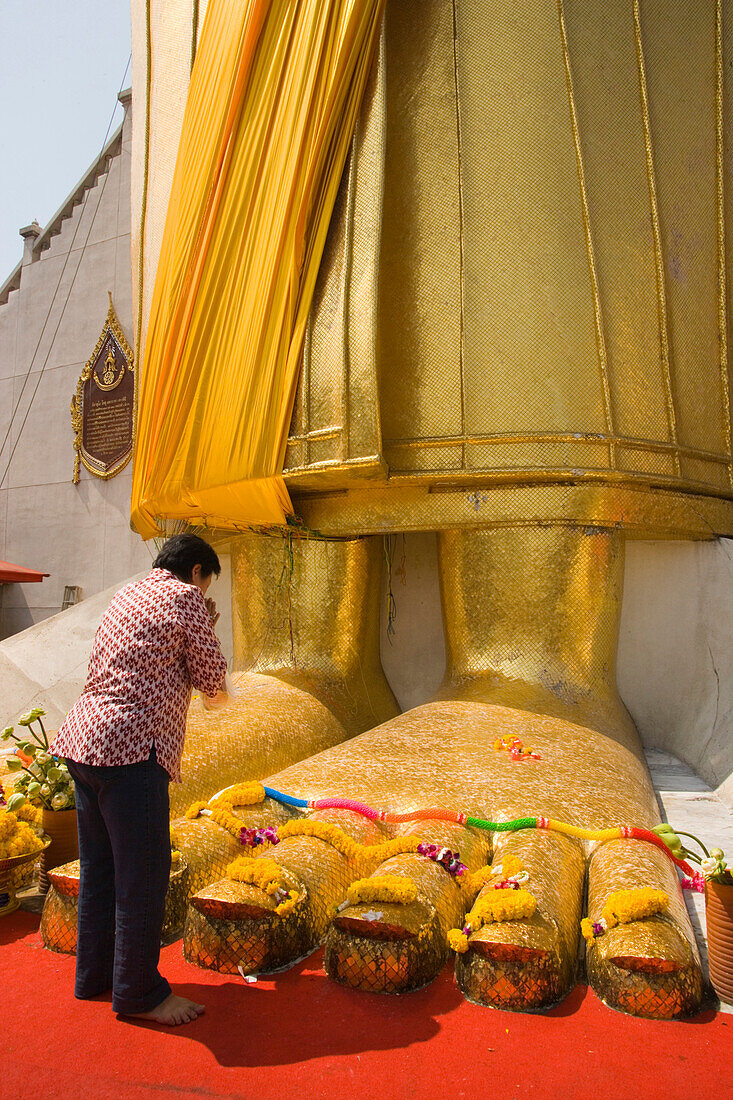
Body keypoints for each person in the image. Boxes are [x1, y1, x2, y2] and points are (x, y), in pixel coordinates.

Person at [52, 533, 228, 1026]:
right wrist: (204, 628)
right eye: (207, 582)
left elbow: (150, 656)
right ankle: (140, 994)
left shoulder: (128, 592)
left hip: (85, 742)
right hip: (134, 750)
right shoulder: (187, 597)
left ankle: (96, 977)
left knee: (101, 870)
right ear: (196, 571)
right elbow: (213, 678)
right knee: (143, 877)